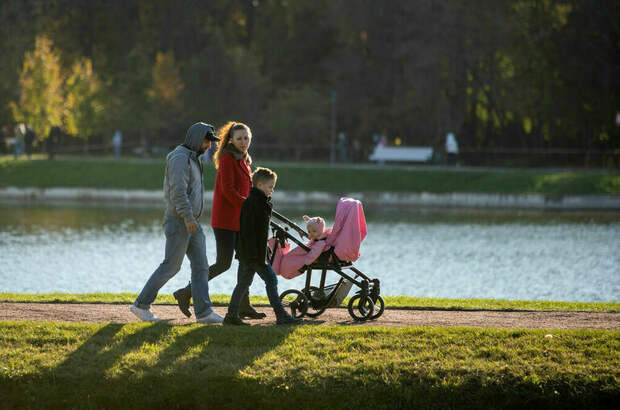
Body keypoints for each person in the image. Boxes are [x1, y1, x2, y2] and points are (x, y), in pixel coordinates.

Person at [130, 122, 223, 324]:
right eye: (208, 141)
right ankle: (141, 305)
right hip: (180, 221)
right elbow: (177, 192)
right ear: (198, 139)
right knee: (171, 267)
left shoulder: (192, 157)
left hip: (192, 222)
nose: (209, 146)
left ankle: (204, 312)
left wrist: (192, 219)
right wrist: (188, 218)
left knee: (201, 267)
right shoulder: (180, 158)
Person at [173, 122, 265, 320]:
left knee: (246, 260)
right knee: (223, 263)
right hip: (225, 220)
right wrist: (249, 206)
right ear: (231, 140)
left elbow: (245, 191)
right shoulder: (228, 159)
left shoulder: (244, 160)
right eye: (239, 138)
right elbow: (228, 190)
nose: (243, 142)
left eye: (246, 138)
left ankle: (244, 304)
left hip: (241, 219)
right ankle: (186, 292)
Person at [223, 167, 301, 326]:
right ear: (259, 185)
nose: (272, 190)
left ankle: (231, 315)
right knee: (271, 280)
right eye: (270, 187)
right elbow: (249, 232)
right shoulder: (254, 204)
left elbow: (259, 232)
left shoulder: (259, 202)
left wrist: (265, 246)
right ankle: (281, 316)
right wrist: (257, 255)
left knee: (244, 283)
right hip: (253, 254)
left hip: (253, 252)